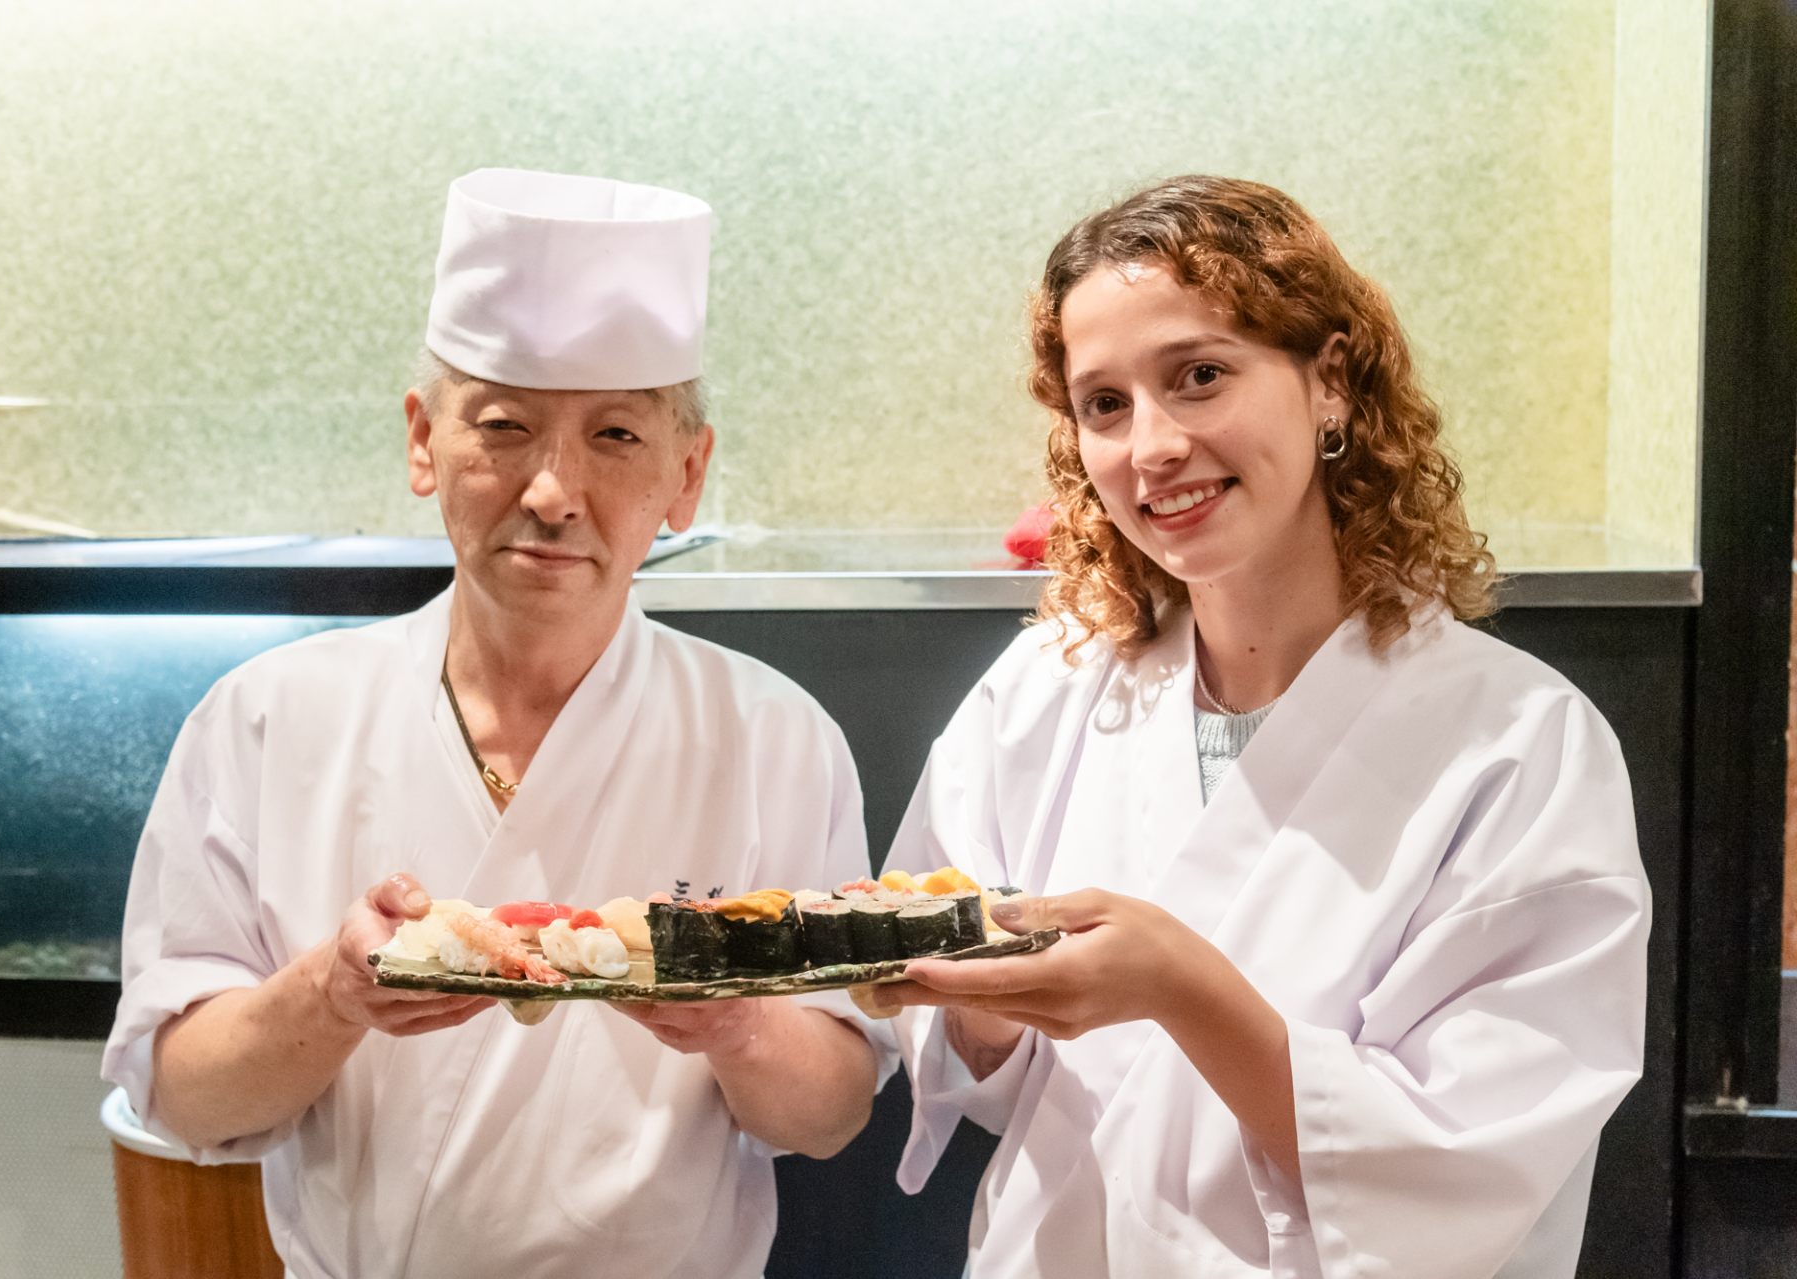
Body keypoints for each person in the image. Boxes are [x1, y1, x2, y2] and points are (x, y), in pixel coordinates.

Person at [101, 167, 889, 1279]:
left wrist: (729, 1018)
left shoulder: (771, 734)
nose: (554, 491)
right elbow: (182, 1095)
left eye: (617, 436)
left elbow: (832, 1114)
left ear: (687, 473)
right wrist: (333, 992)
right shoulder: (270, 718)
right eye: (505, 426)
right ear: (424, 442)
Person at [877, 176, 1650, 1277]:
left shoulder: (1519, 745)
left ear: (1330, 381)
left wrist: (1177, 987)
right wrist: (979, 1010)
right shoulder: (1044, 693)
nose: (1150, 446)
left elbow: (1468, 1159)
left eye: (1199, 377)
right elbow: (960, 1052)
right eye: (1105, 404)